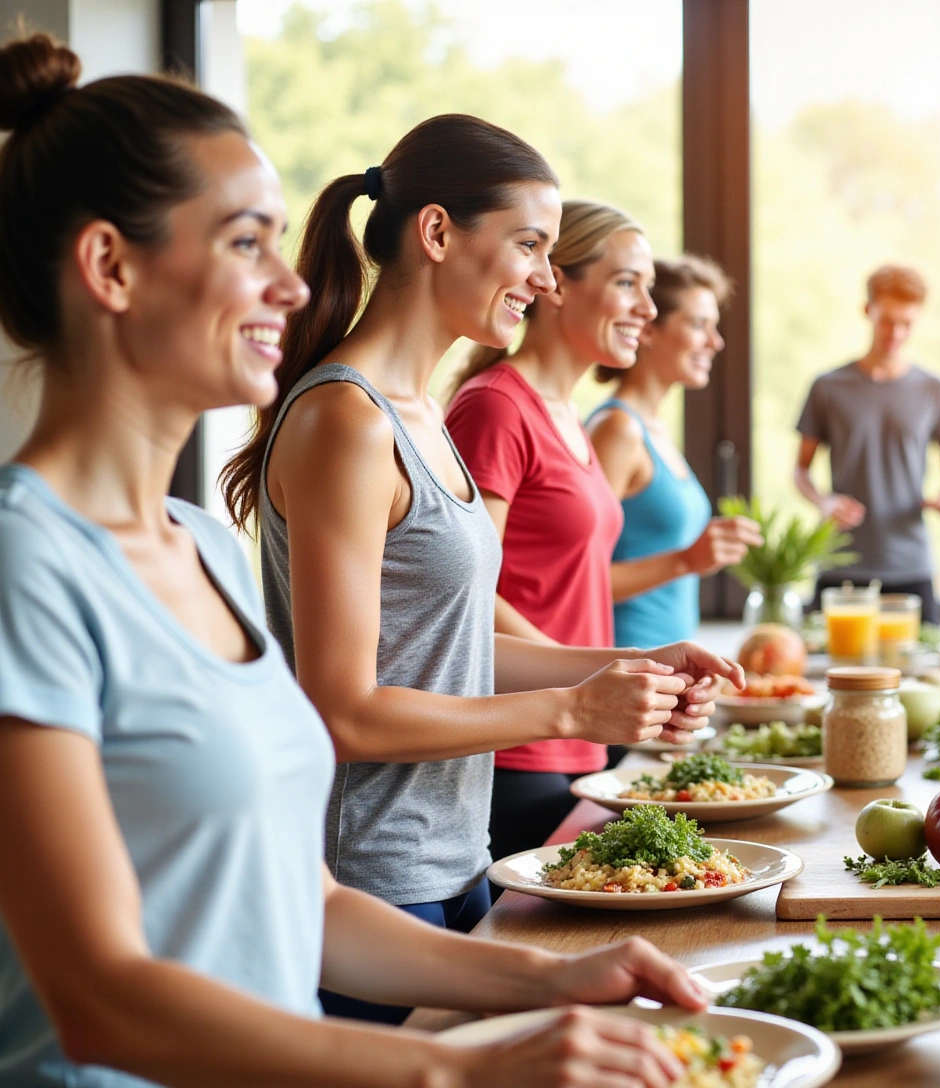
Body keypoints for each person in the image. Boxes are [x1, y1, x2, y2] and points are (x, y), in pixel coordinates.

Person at [0, 33, 703, 1087]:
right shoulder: (24, 565)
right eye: (246, 244)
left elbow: (308, 900)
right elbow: (101, 997)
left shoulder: (204, 551)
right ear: (110, 266)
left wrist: (553, 978)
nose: (290, 284)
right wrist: (456, 1071)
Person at [219, 114, 740, 1022]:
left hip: (456, 862)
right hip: (372, 884)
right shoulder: (348, 420)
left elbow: (449, 651)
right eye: (530, 245)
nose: (545, 279)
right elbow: (341, 707)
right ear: (435, 233)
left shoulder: (422, 415)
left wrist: (628, 670)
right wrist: (572, 709)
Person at [444, 205, 753, 861]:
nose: (647, 307)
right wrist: (594, 677)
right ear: (555, 283)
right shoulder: (496, 406)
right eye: (626, 284)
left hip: (573, 730)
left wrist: (608, 683)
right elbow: (466, 588)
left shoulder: (567, 418)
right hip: (517, 740)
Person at [589, 254, 760, 652]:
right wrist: (687, 559)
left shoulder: (654, 430)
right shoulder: (617, 431)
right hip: (625, 665)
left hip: (666, 669)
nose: (715, 343)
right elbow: (581, 582)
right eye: (699, 325)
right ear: (647, 329)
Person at [795, 264, 940, 622]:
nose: (897, 333)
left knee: (923, 673)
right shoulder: (828, 387)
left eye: (907, 323)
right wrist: (824, 501)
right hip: (840, 564)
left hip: (909, 564)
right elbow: (800, 469)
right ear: (867, 310)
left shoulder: (935, 390)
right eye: (888, 321)